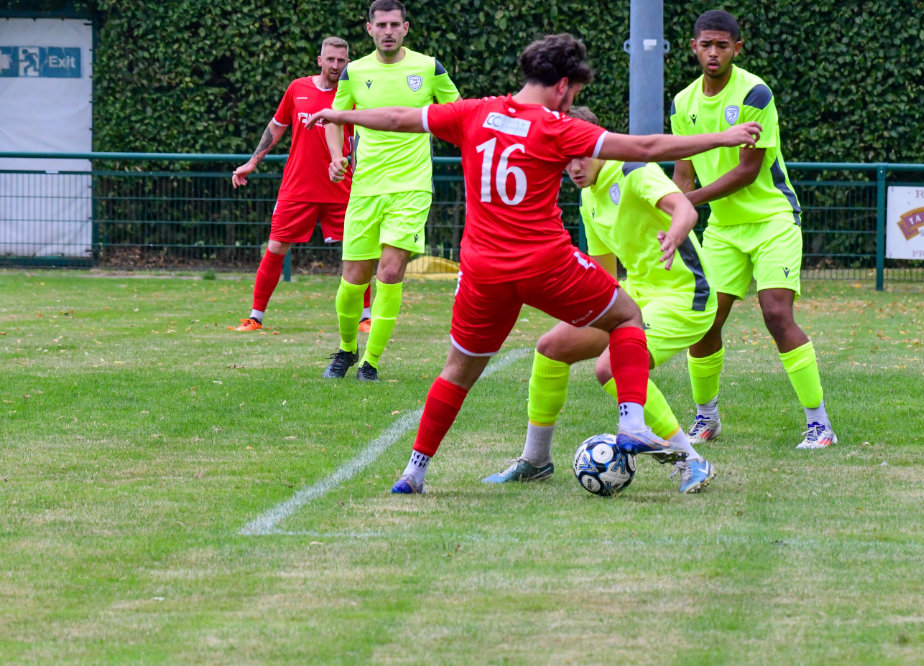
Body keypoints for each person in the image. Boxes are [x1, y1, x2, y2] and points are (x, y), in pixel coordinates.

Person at [307, 33, 761, 493]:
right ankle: (631, 423)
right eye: (573, 94)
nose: (571, 102)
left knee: (456, 373)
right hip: (545, 264)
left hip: (483, 272)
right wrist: (722, 137)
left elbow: (398, 118)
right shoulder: (557, 127)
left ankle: (414, 472)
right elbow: (646, 148)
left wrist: (341, 114)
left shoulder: (474, 112)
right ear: (563, 86)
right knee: (626, 316)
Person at [482, 105, 717, 494]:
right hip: (638, 298)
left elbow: (684, 209)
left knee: (611, 367)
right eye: (565, 159)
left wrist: (675, 235)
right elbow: (604, 279)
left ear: (598, 145)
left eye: (580, 155)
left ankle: (691, 460)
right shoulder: (588, 198)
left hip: (685, 297)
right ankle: (535, 461)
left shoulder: (632, 170)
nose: (573, 167)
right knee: (551, 348)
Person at [669, 10, 836, 450]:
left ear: (737, 49)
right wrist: (674, 213)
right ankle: (706, 418)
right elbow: (683, 172)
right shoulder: (682, 103)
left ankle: (819, 424)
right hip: (723, 229)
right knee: (704, 321)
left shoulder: (755, 92)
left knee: (777, 314)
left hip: (773, 220)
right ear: (693, 47)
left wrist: (688, 201)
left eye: (722, 45)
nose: (713, 52)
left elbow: (747, 171)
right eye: (706, 44)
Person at [319, 0, 461, 382]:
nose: (387, 31)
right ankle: (347, 350)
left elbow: (459, 114)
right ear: (369, 29)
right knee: (353, 281)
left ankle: (371, 362)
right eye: (380, 25)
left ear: (405, 28)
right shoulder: (353, 71)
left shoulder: (429, 68)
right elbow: (334, 118)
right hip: (365, 188)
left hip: (412, 187)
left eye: (394, 24)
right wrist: (336, 156)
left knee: (392, 270)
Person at [230, 37, 372, 333]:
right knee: (276, 245)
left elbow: (363, 140)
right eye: (330, 59)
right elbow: (277, 125)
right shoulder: (298, 88)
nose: (335, 65)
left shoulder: (354, 94)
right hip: (298, 186)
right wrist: (253, 161)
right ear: (320, 60)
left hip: (341, 186)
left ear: (348, 63)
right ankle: (255, 317)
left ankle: (365, 317)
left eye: (341, 60)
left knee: (358, 249)